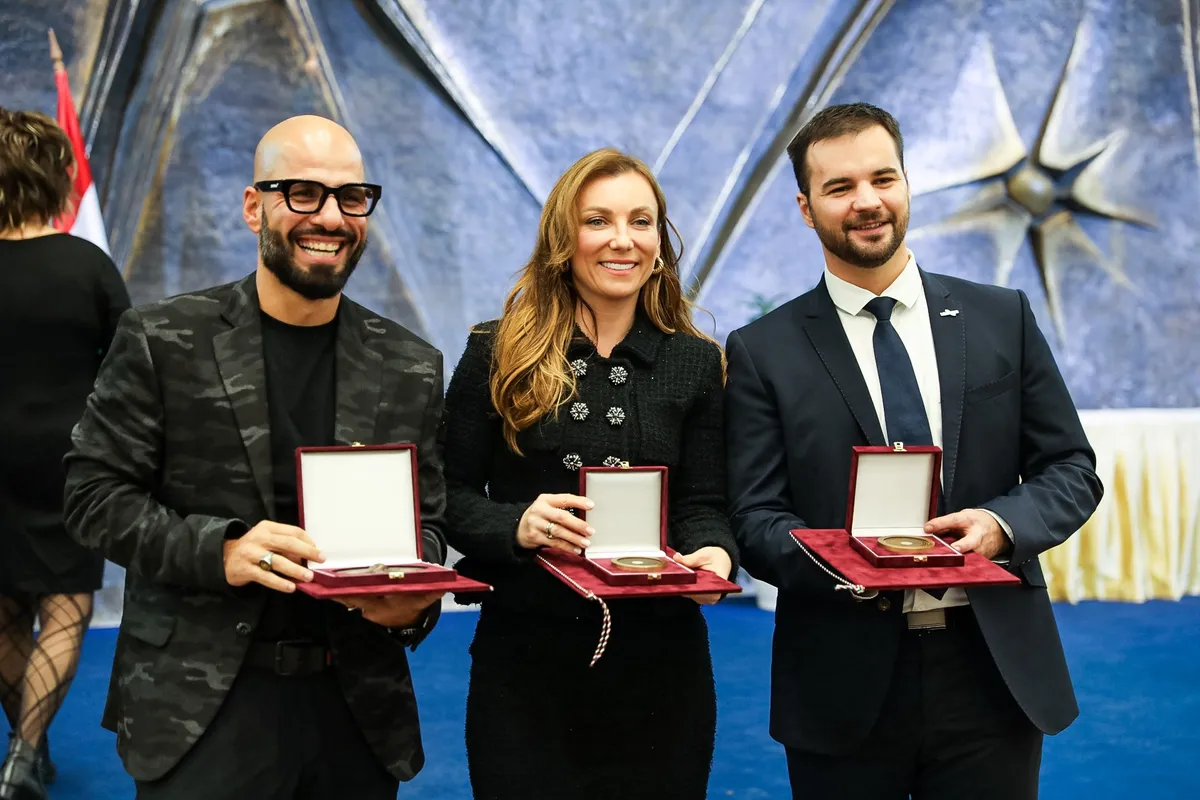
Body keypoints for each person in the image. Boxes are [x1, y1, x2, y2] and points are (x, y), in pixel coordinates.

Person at [725, 102, 1103, 800]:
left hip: (991, 671)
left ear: (906, 183)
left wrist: (1001, 524)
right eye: (840, 187)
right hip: (840, 677)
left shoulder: (1002, 317)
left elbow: (1071, 469)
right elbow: (754, 518)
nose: (867, 202)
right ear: (806, 209)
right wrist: (847, 563)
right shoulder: (762, 351)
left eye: (883, 178)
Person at [63, 115, 447, 800]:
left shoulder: (409, 364)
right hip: (200, 706)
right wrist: (221, 550)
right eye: (303, 192)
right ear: (253, 207)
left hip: (355, 708)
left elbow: (430, 523)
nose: (330, 217)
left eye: (351, 197)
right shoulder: (164, 339)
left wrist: (412, 607)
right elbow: (92, 496)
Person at [441, 148, 738, 800]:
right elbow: (444, 494)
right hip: (525, 662)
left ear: (660, 243)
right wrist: (515, 526)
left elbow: (704, 503)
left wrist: (714, 554)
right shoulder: (497, 350)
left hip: (663, 669)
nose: (622, 240)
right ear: (562, 237)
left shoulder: (696, 363)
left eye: (640, 221)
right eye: (597, 220)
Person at [0, 107, 130, 800]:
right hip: (69, 463)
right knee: (66, 607)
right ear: (55, 177)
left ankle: (29, 751)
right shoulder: (87, 265)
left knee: (5, 612)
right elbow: (131, 367)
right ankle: (25, 752)